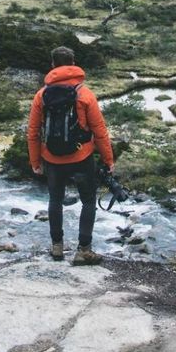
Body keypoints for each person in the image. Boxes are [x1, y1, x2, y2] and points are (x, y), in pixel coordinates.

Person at [27, 46, 114, 265]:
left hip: (52, 159)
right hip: (82, 157)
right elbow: (99, 131)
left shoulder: (41, 95)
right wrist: (108, 159)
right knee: (88, 201)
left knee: (55, 201)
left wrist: (35, 161)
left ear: (52, 65)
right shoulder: (84, 94)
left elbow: (33, 132)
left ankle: (57, 247)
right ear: (74, 63)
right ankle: (83, 250)